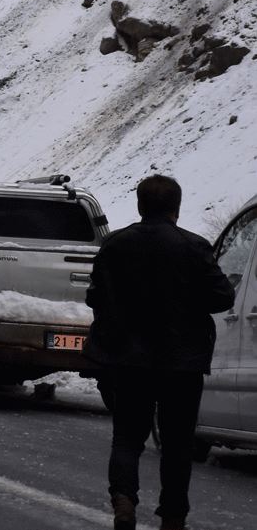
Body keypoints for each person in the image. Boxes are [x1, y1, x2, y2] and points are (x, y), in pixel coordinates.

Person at [85, 174, 235, 530]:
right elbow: (222, 297)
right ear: (177, 209)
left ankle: (123, 501)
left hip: (126, 359)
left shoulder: (115, 246)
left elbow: (95, 296)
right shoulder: (194, 247)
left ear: (139, 206)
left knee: (126, 435)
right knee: (177, 442)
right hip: (182, 362)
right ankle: (173, 515)